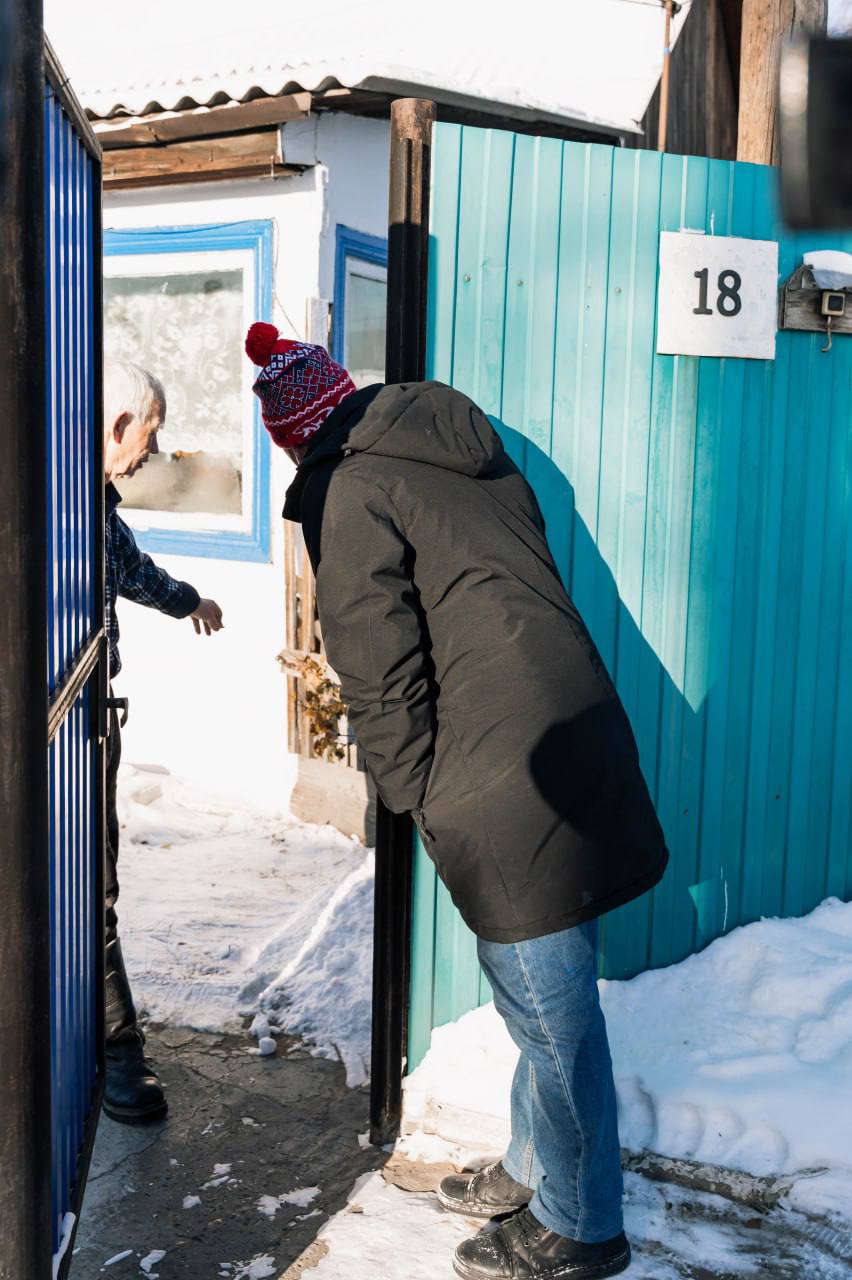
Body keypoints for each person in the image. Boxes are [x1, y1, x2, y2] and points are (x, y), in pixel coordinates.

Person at [245, 322, 668, 1280]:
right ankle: (533, 1166)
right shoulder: (451, 446)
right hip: (569, 721)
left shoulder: (352, 488)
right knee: (544, 991)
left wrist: (407, 791)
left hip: (504, 761)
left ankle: (581, 1225)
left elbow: (376, 662)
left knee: (551, 1012)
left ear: (292, 438)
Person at [102, 358, 224, 1123]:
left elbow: (131, 570)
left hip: (85, 727)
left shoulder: (91, 505)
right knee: (74, 892)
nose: (152, 452)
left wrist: (188, 602)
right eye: (150, 434)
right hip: (48, 729)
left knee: (89, 891)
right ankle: (109, 1051)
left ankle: (110, 1048)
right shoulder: (44, 497)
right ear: (119, 425)